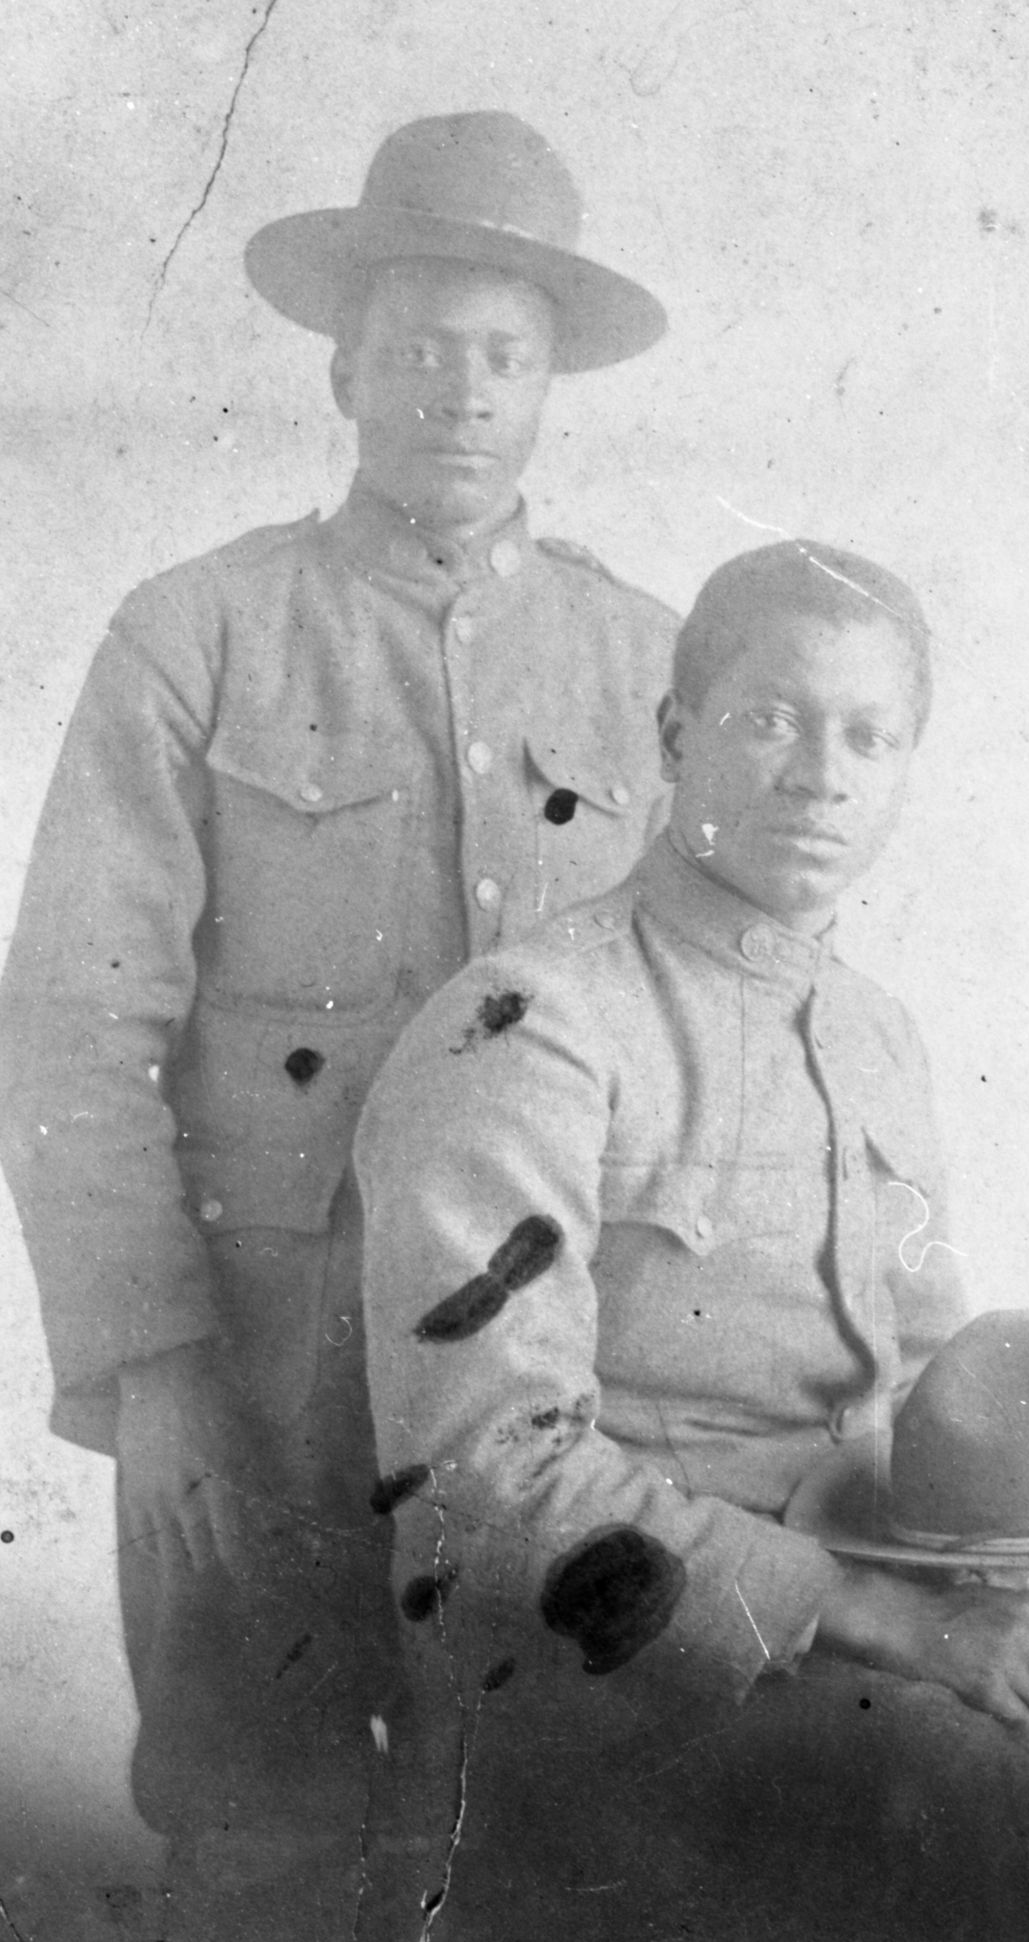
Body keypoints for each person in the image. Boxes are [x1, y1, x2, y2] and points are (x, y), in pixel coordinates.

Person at [0, 112, 677, 1938]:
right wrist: (153, 1378)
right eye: (422, 347)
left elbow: (712, 1027)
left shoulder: (649, 665)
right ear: (344, 367)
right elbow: (71, 1021)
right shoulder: (197, 635)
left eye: (504, 355)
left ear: (552, 388)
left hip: (544, 1386)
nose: (460, 392)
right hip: (258, 1373)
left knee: (538, 1859)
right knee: (261, 1855)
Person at [355, 540, 1029, 1940]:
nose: (821, 771)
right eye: (771, 719)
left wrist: (1026, 1540)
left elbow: (930, 1403)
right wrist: (873, 1616)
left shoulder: (875, 1034)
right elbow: (483, 1477)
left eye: (869, 734)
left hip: (897, 1611)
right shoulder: (536, 1022)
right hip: (633, 1679)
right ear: (677, 734)